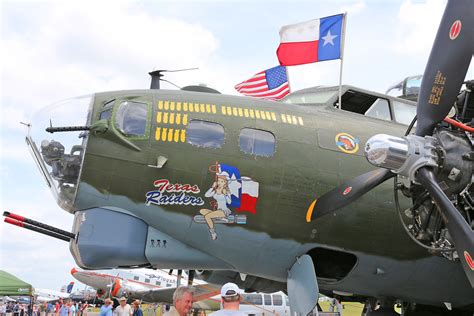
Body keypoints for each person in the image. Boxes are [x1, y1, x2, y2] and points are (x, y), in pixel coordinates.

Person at [199, 174, 232, 240]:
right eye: (218, 181)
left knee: (207, 216)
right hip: (217, 211)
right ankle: (220, 218)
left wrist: (225, 194)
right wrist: (212, 187)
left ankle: (213, 233)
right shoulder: (216, 190)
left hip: (223, 211)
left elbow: (229, 202)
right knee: (202, 211)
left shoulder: (226, 191)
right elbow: (206, 195)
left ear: (225, 182)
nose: (219, 183)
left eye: (221, 181)